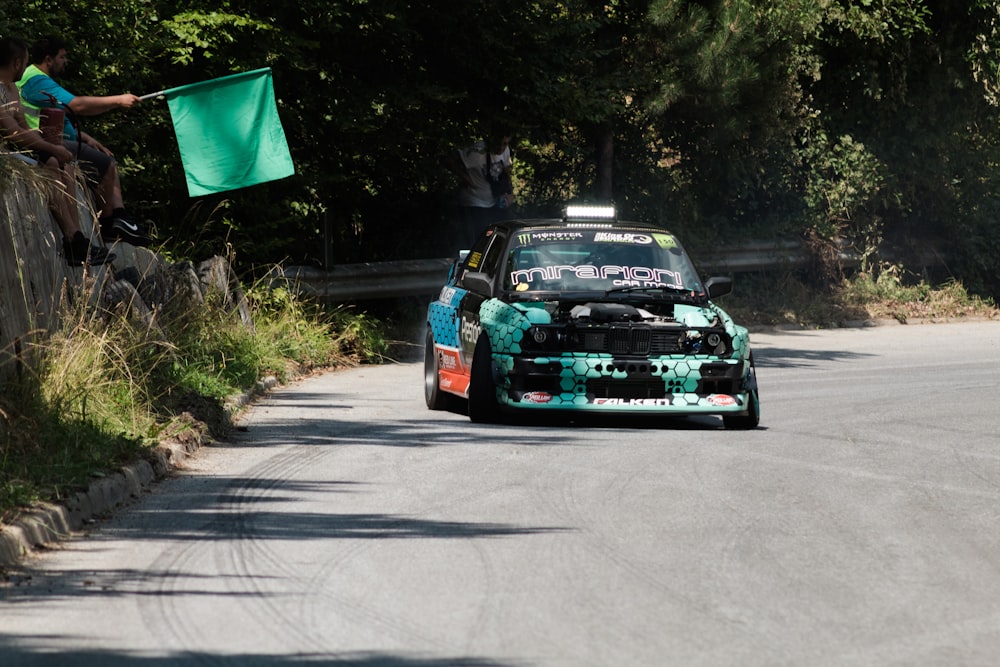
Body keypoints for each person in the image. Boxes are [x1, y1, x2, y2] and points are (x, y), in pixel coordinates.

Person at [17, 35, 152, 246]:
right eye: (62, 57)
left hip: (50, 140)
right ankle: (111, 224)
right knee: (104, 163)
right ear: (48, 59)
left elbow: (60, 118)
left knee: (105, 157)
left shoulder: (36, 79)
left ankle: (119, 218)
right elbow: (77, 105)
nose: (65, 61)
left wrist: (85, 138)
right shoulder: (36, 80)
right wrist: (118, 100)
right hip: (43, 143)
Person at [0, 36, 113, 267]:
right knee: (51, 162)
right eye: (25, 62)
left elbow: (22, 125)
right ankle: (72, 237)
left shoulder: (12, 89)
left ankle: (78, 241)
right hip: (5, 152)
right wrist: (52, 148)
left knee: (67, 166)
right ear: (16, 63)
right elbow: (14, 133)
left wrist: (56, 148)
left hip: (16, 148)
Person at [441, 123, 515, 250]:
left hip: (494, 201)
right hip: (474, 202)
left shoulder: (505, 151)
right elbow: (447, 159)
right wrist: (465, 178)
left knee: (503, 236)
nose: (501, 148)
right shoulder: (476, 152)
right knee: (479, 241)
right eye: (499, 143)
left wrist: (509, 192)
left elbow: (506, 170)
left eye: (505, 143)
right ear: (491, 140)